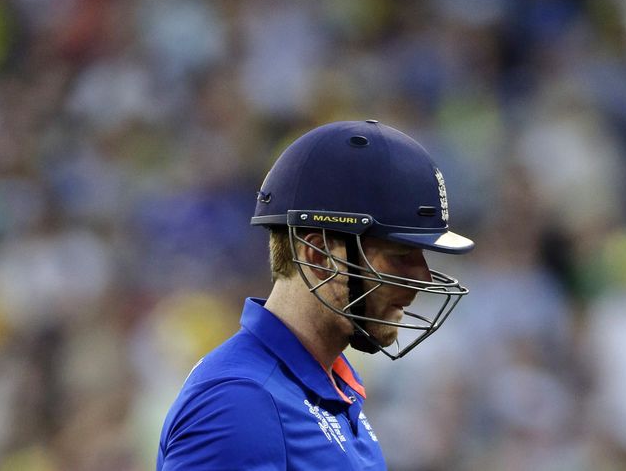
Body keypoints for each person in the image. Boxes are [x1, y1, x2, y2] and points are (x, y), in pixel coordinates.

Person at [157, 120, 474, 470]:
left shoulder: (326, 389)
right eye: (400, 256)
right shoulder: (241, 402)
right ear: (319, 256)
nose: (422, 278)